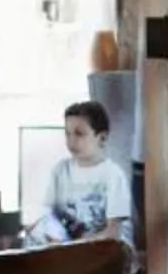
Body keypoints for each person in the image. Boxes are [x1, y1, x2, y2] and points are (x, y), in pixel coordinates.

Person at [32, 99, 134, 253]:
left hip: (102, 249)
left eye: (79, 134)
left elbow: (113, 232)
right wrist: (55, 238)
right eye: (67, 133)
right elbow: (47, 214)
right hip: (69, 248)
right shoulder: (60, 170)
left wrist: (76, 246)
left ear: (102, 138)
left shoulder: (113, 175)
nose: (71, 141)